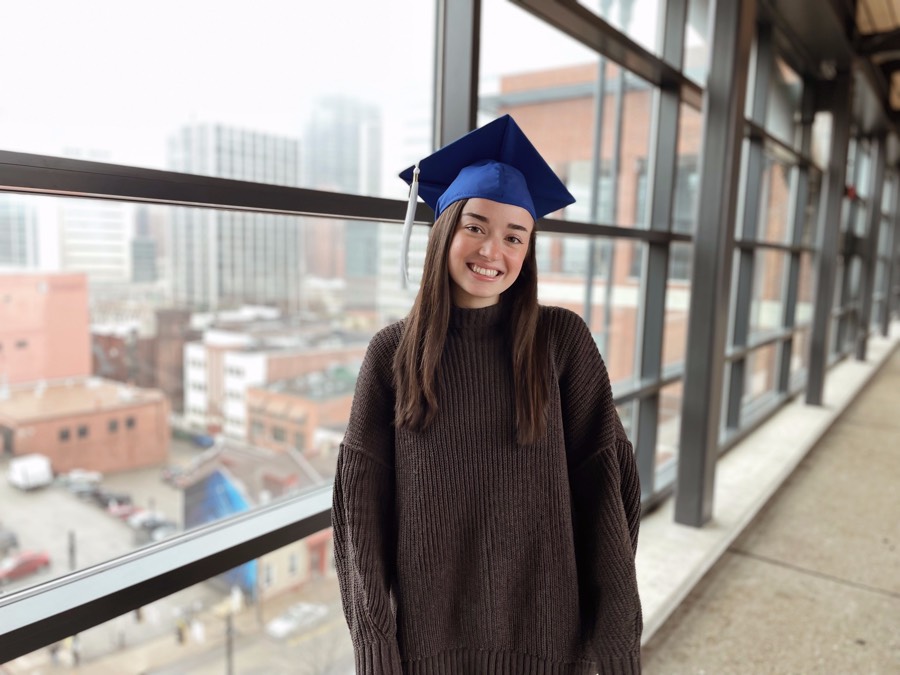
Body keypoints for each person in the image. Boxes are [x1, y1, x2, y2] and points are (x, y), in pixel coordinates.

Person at [332, 114, 642, 675]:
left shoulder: (561, 342)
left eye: (513, 236)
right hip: (425, 650)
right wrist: (376, 650)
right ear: (443, 231)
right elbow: (360, 520)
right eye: (475, 227)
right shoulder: (391, 355)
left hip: (549, 646)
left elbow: (609, 488)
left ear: (527, 252)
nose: (492, 250)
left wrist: (613, 637)